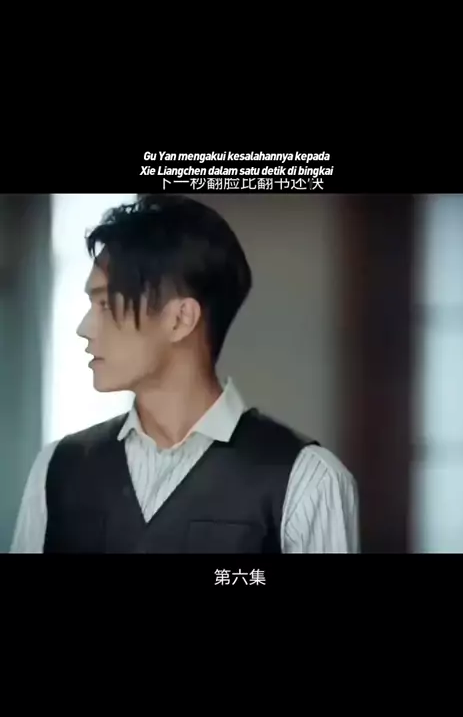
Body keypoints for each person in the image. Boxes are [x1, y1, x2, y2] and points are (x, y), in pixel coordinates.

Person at [11, 195, 358, 554]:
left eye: (105, 304)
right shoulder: (57, 469)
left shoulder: (306, 480)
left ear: (180, 320)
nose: (85, 328)